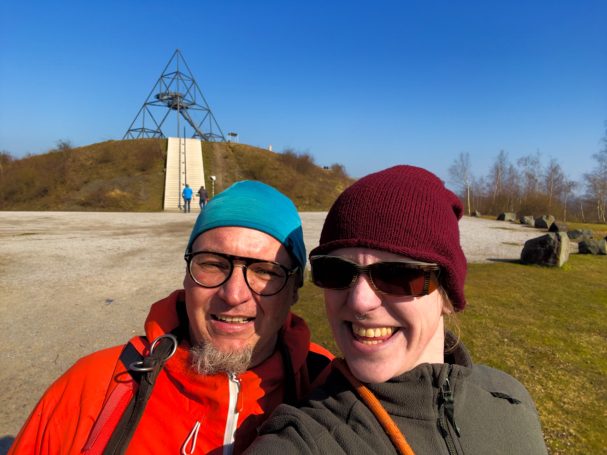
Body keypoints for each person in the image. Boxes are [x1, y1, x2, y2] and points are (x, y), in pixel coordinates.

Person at [10, 180, 333, 455]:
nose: (234, 295)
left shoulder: (334, 390)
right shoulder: (91, 387)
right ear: (186, 276)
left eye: (265, 271)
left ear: (294, 290)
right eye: (213, 264)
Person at [247, 165, 548, 454]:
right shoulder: (306, 439)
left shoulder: (510, 398)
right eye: (336, 271)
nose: (360, 301)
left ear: (447, 295)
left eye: (398, 276)